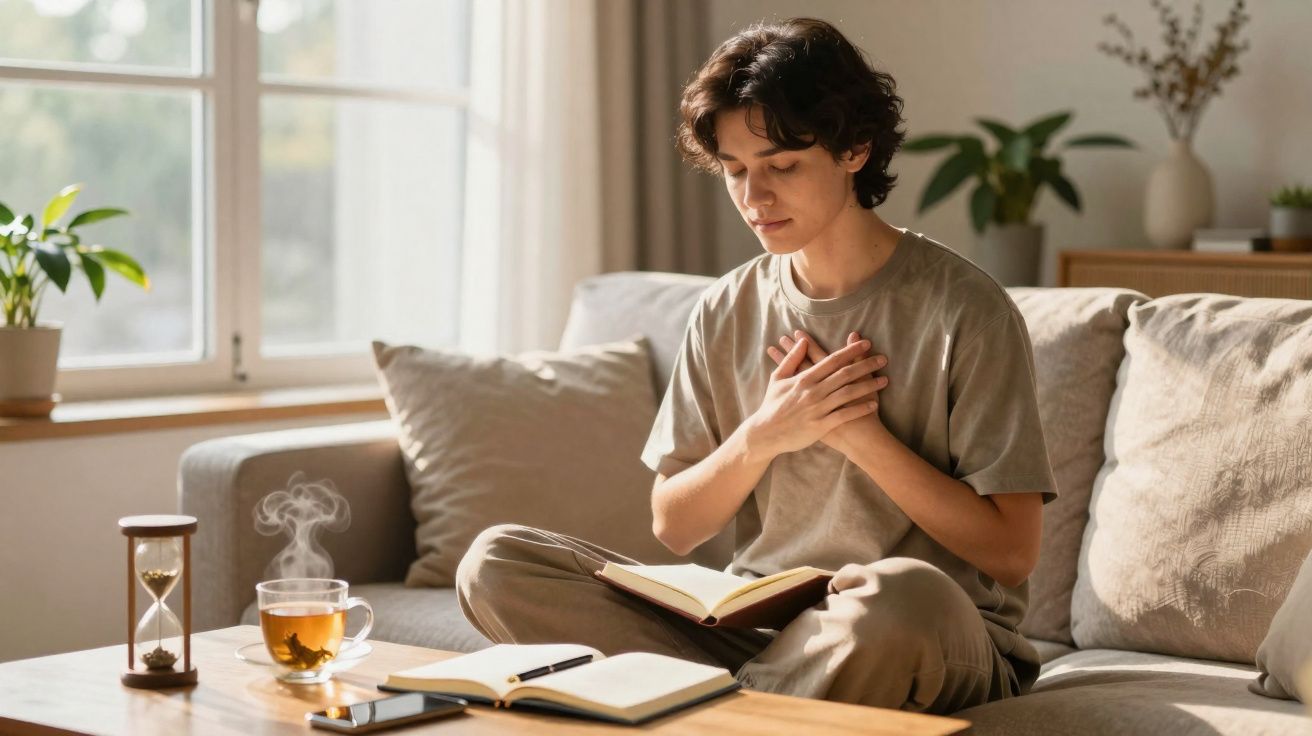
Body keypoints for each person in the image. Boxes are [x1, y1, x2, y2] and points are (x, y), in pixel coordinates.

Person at [457, 17, 1056, 715]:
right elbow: (675, 525)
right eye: (736, 171)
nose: (754, 197)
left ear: (855, 149)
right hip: (761, 634)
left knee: (899, 594)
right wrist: (766, 434)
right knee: (498, 563)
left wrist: (858, 437)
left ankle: (699, 711)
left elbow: (1012, 554)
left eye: (781, 165)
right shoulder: (724, 309)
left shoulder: (968, 310)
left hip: (918, 631)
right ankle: (753, 710)